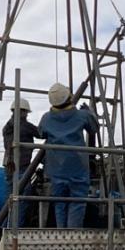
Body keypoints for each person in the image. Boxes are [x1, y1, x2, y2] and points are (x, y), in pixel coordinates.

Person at [38, 83, 98, 228]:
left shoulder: (46, 118)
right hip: (78, 167)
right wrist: (90, 112)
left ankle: (61, 233)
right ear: (69, 96)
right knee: (77, 202)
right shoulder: (82, 115)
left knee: (59, 203)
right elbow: (94, 128)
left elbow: (41, 133)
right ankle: (72, 234)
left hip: (56, 168)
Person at [2, 97, 41, 226]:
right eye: (26, 112)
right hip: (20, 167)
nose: (26, 115)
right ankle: (15, 230)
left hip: (9, 167)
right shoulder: (23, 126)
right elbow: (41, 133)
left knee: (11, 201)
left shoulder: (7, 126)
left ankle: (5, 228)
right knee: (22, 200)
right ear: (22, 111)